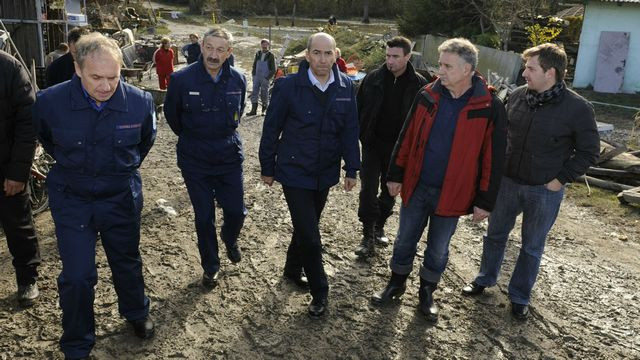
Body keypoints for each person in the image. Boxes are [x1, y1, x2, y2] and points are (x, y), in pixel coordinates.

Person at [34, 32, 157, 359]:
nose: (106, 86)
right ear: (77, 68)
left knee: (126, 260)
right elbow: (47, 139)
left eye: (113, 77)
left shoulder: (140, 102)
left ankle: (136, 312)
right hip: (73, 198)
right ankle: (77, 343)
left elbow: (145, 143)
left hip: (120, 196)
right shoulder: (49, 102)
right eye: (96, 77)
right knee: (76, 276)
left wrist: (118, 171)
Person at [370, 38, 507, 324]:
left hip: (453, 193)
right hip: (418, 186)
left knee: (438, 248)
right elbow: (406, 136)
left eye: (447, 66)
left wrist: (485, 201)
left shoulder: (489, 105)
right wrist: (395, 174)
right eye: (440, 64)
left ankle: (426, 293)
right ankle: (396, 284)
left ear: (468, 68)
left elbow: (493, 158)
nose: (439, 71)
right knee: (404, 239)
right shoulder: (427, 95)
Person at [460, 43, 600, 320]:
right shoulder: (519, 96)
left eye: (531, 68)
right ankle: (485, 278)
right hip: (508, 183)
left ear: (550, 72)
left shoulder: (578, 108)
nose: (524, 73)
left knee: (532, 246)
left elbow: (589, 151)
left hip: (544, 190)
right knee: (495, 235)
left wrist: (560, 180)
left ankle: (520, 296)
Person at [259, 32, 360, 318]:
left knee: (307, 226)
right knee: (312, 238)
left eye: (328, 54)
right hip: (294, 172)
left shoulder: (345, 87)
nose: (322, 59)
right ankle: (321, 292)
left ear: (335, 55)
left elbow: (350, 131)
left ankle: (292, 269)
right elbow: (271, 129)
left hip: (324, 172)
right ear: (307, 55)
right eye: (317, 53)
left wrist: (351, 168)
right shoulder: (289, 86)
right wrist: (267, 167)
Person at [164, 27, 247, 290]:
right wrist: (193, 138)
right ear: (201, 46)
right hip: (195, 159)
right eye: (209, 48)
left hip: (228, 155)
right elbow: (172, 116)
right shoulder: (181, 80)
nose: (214, 54)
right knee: (204, 217)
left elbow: (240, 111)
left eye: (221, 49)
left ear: (229, 52)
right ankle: (211, 266)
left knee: (236, 212)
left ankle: (229, 237)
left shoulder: (238, 80)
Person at [354, 36, 428, 258]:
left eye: (396, 56)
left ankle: (379, 225)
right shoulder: (373, 79)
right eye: (388, 56)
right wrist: (359, 135)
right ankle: (367, 234)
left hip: (400, 149)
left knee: (390, 191)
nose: (390, 61)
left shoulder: (419, 85)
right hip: (372, 144)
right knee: (367, 189)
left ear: (407, 56)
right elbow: (358, 108)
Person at [0, 50, 41, 308]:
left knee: (18, 227)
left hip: (6, 170)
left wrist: (17, 173)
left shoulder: (10, 68)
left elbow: (28, 125)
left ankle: (27, 279)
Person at [247, 39, 276, 116]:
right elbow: (254, 65)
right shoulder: (258, 53)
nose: (264, 45)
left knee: (264, 93)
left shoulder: (271, 55)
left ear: (268, 45)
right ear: (261, 45)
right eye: (263, 44)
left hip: (265, 77)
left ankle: (264, 110)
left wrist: (267, 77)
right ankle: (253, 110)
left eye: (266, 44)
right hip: (256, 76)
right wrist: (253, 75)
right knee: (254, 92)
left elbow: (274, 69)